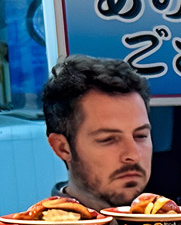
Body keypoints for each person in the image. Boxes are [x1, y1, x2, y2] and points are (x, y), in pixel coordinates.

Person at [42, 56, 154, 211]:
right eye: (108, 139)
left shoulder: (179, 223)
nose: (133, 155)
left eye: (141, 136)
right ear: (62, 148)